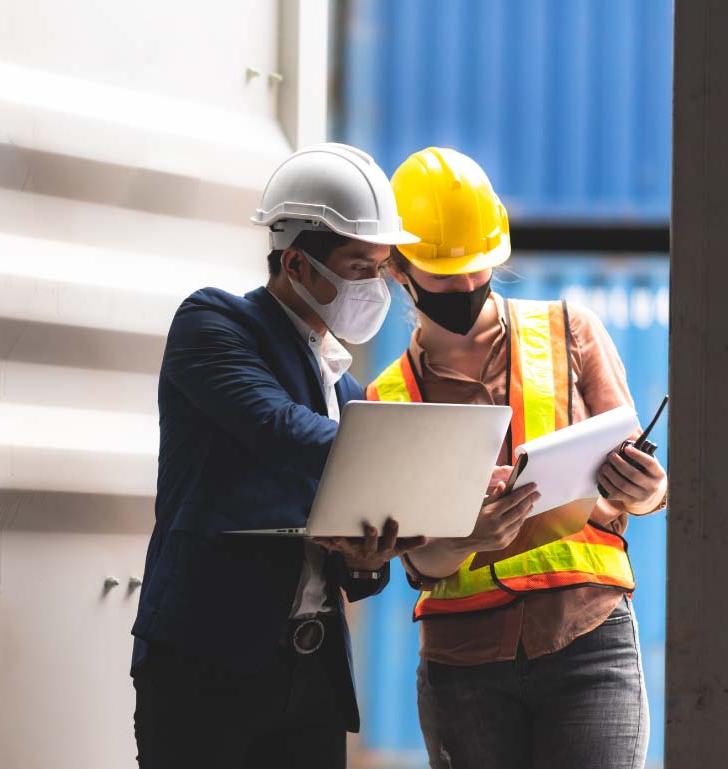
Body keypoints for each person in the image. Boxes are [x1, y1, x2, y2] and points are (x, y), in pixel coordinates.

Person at [130, 143, 430, 769]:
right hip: (206, 670)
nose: (374, 285)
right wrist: (413, 457)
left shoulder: (346, 392)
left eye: (381, 267)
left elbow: (346, 542)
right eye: (358, 265)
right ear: (297, 263)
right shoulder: (213, 324)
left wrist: (370, 557)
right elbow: (279, 429)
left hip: (311, 676)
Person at [366, 147, 668, 769]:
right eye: (446, 274)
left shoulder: (570, 331)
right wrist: (469, 537)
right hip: (464, 665)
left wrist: (648, 490)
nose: (468, 287)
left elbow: (634, 478)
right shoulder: (389, 398)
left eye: (479, 268)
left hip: (587, 638)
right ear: (399, 269)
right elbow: (419, 562)